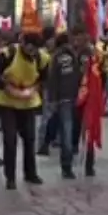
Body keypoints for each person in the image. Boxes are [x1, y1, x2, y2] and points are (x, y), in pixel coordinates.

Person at [0, 32, 47, 189]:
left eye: (34, 49)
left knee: (29, 138)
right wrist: (7, 88)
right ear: (22, 43)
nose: (31, 51)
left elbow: (44, 77)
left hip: (28, 102)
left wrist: (34, 88)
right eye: (28, 47)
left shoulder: (42, 58)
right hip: (6, 101)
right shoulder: (9, 54)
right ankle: (10, 177)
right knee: (10, 139)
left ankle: (30, 173)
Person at [46, 27, 93, 179]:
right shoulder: (65, 56)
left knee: (70, 130)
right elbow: (54, 79)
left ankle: (69, 162)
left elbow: (53, 79)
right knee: (68, 130)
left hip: (72, 98)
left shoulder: (75, 55)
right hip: (68, 98)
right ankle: (67, 164)